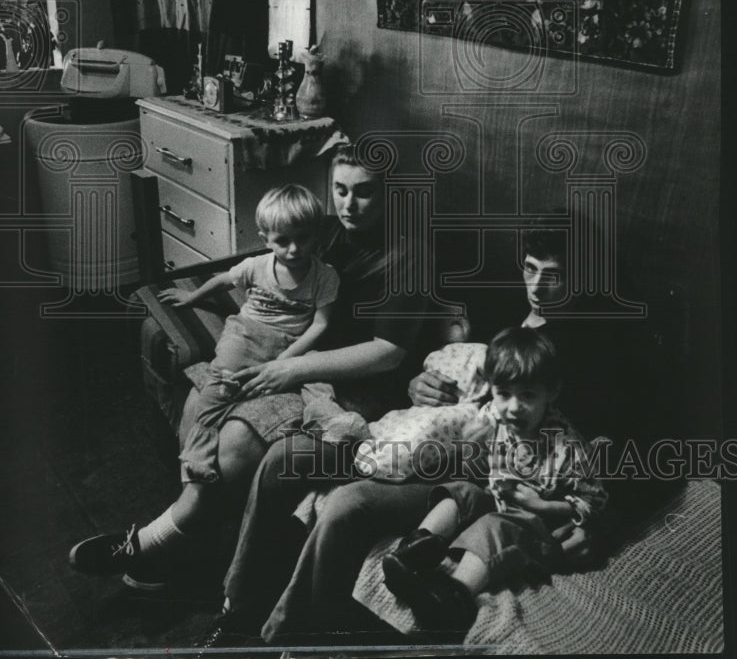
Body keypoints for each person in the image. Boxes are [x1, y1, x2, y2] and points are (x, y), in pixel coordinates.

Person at [207, 225, 612, 645]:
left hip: (474, 473)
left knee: (348, 503)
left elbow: (617, 452)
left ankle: (296, 636)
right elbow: (442, 356)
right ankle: (238, 608)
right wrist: (419, 382)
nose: (538, 286)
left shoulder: (593, 349)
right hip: (424, 429)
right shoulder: (502, 309)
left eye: (555, 275)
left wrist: (592, 523)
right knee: (286, 459)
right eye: (531, 269)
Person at [67, 144, 428, 594]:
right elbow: (276, 271)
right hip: (295, 355)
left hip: (353, 380)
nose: (348, 204)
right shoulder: (327, 230)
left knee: (236, 441)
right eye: (340, 189)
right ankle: (194, 535)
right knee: (202, 399)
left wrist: (292, 369)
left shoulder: (408, 254)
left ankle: (153, 544)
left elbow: (388, 352)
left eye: (365, 192)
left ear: (390, 192)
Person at [69, 184, 339, 586]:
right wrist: (191, 298)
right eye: (284, 241)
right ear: (266, 239)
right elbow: (225, 281)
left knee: (271, 396)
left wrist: (288, 362)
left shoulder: (324, 276)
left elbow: (321, 324)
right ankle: (195, 471)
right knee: (216, 391)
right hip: (246, 335)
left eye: (304, 239)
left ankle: (163, 540)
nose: (295, 250)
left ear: (318, 235)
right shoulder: (258, 266)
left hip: (287, 349)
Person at [381, 327, 607, 633]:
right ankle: (416, 551)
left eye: (527, 395)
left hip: (537, 525)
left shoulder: (567, 446)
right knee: (462, 492)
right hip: (499, 497)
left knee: (495, 526)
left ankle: (454, 597)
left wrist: (541, 504)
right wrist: (471, 447)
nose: (513, 407)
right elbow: (475, 461)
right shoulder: (494, 416)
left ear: (551, 393)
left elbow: (592, 501)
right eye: (504, 394)